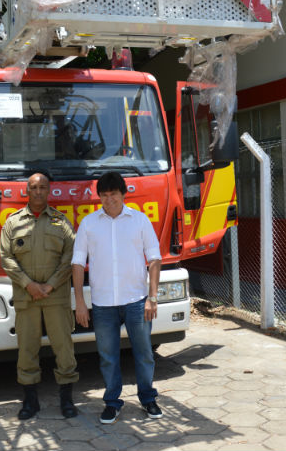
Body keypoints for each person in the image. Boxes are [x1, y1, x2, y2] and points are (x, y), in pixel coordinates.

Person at [72, 171, 163, 424]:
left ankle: (148, 398)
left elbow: (154, 259)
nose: (109, 199)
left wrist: (152, 298)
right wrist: (80, 301)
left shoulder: (140, 220)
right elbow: (78, 264)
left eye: (113, 193)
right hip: (102, 305)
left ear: (124, 193)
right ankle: (112, 402)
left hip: (136, 301)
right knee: (108, 356)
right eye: (104, 194)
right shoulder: (89, 224)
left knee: (144, 353)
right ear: (99, 196)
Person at [0, 171, 78, 419]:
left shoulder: (61, 222)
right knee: (27, 350)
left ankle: (67, 400)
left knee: (64, 349)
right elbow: (6, 258)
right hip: (27, 297)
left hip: (56, 297)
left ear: (49, 190)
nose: (38, 192)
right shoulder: (13, 222)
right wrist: (29, 284)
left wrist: (50, 285)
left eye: (43, 187)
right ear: (27, 190)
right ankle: (30, 401)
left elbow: (70, 259)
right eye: (33, 187)